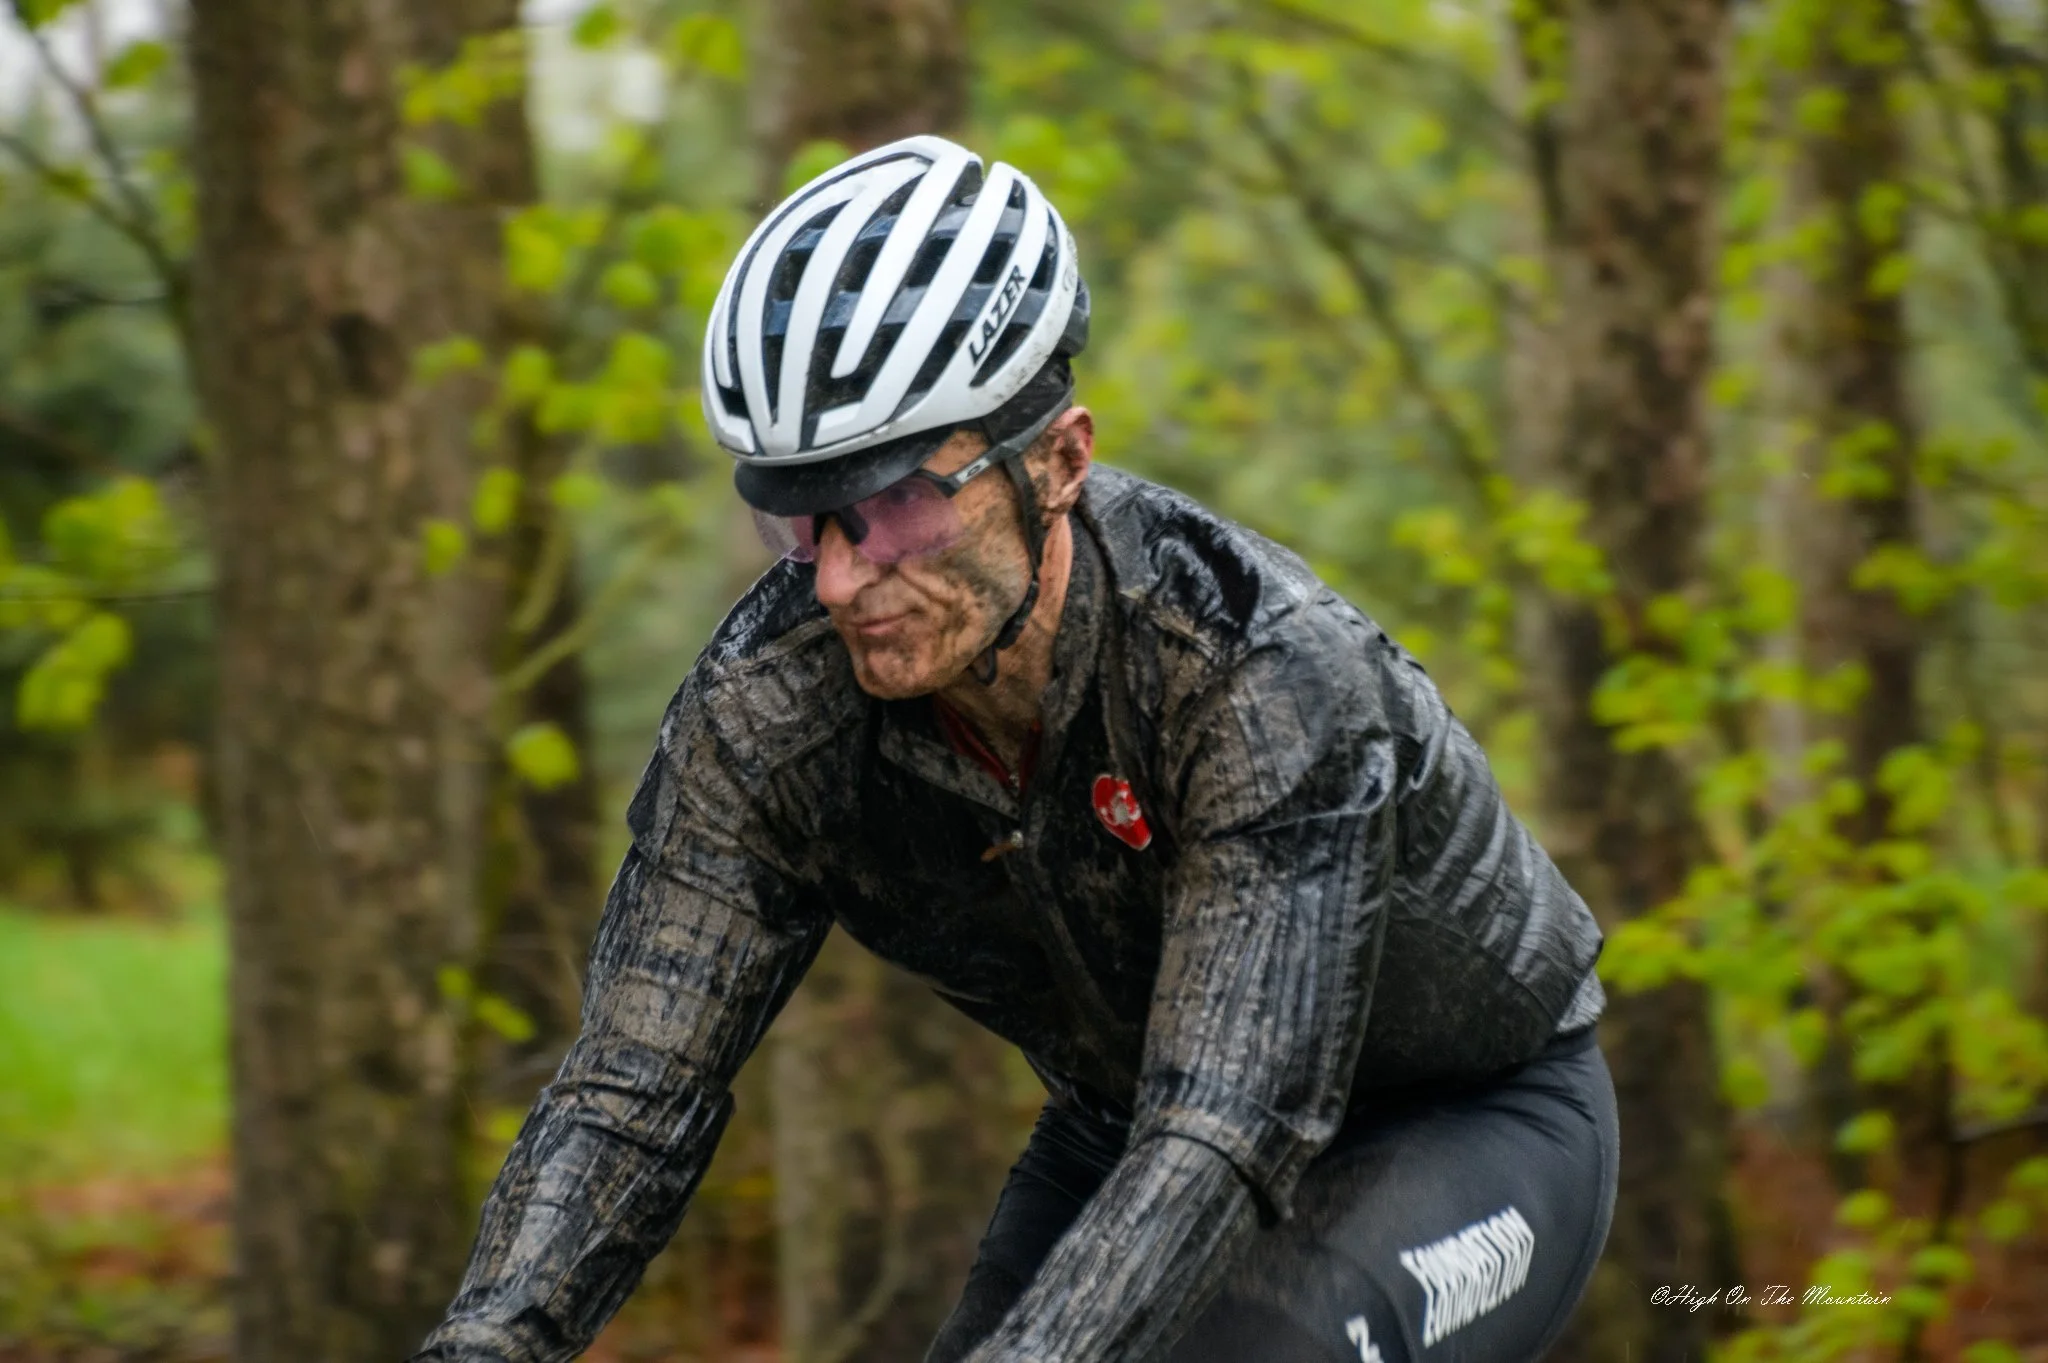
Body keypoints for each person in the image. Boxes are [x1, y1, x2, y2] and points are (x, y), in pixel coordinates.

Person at [412, 134, 1618, 1363]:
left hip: (1460, 1121)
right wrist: (486, 1341)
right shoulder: (769, 709)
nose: (836, 577)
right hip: (1122, 1126)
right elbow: (630, 1093)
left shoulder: (1255, 675)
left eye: (893, 505)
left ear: (1060, 459)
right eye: (796, 516)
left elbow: (1228, 1125)